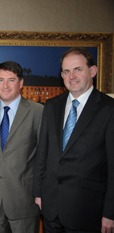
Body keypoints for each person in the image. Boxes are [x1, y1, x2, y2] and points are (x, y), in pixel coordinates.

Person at [33, 47, 114, 232]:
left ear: (92, 71)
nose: (72, 76)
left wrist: (110, 213)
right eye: (67, 71)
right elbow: (43, 153)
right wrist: (38, 192)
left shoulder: (109, 109)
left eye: (78, 69)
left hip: (88, 211)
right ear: (62, 75)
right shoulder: (52, 105)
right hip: (50, 208)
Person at [0, 61, 43, 233]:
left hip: (25, 201)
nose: (5, 85)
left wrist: (41, 192)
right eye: (1, 80)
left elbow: (45, 157)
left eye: (11, 80)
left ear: (21, 83)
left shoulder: (38, 112)